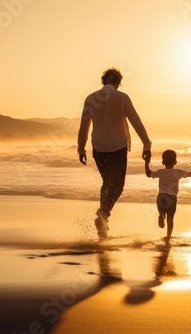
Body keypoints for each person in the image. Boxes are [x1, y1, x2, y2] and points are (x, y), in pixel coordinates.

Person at [77, 67, 152, 241]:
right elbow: (136, 121)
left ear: (104, 81)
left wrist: (81, 148)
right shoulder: (122, 97)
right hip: (118, 147)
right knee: (117, 186)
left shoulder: (90, 98)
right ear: (117, 82)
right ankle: (103, 214)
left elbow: (84, 125)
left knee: (107, 183)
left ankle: (103, 221)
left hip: (98, 148)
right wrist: (146, 144)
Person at [145, 149, 191, 240]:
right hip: (172, 198)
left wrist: (146, 162)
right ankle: (168, 237)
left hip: (161, 196)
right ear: (175, 162)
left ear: (163, 162)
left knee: (162, 210)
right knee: (170, 219)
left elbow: (148, 173)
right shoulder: (178, 172)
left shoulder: (160, 172)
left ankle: (161, 215)